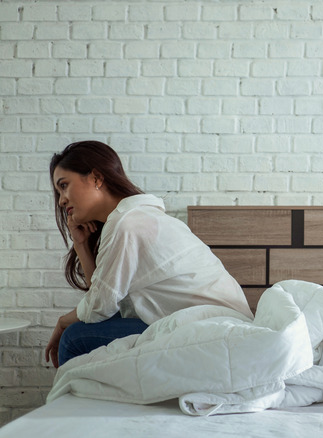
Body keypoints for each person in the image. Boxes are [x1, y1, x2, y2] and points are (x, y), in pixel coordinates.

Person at [45, 141, 253, 368]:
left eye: (64, 186)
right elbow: (102, 299)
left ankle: (74, 403)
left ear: (96, 178)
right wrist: (81, 246)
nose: (61, 199)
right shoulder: (135, 217)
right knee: (87, 327)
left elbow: (98, 307)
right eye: (58, 192)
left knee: (73, 338)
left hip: (212, 327)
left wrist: (62, 322)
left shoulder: (128, 223)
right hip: (212, 321)